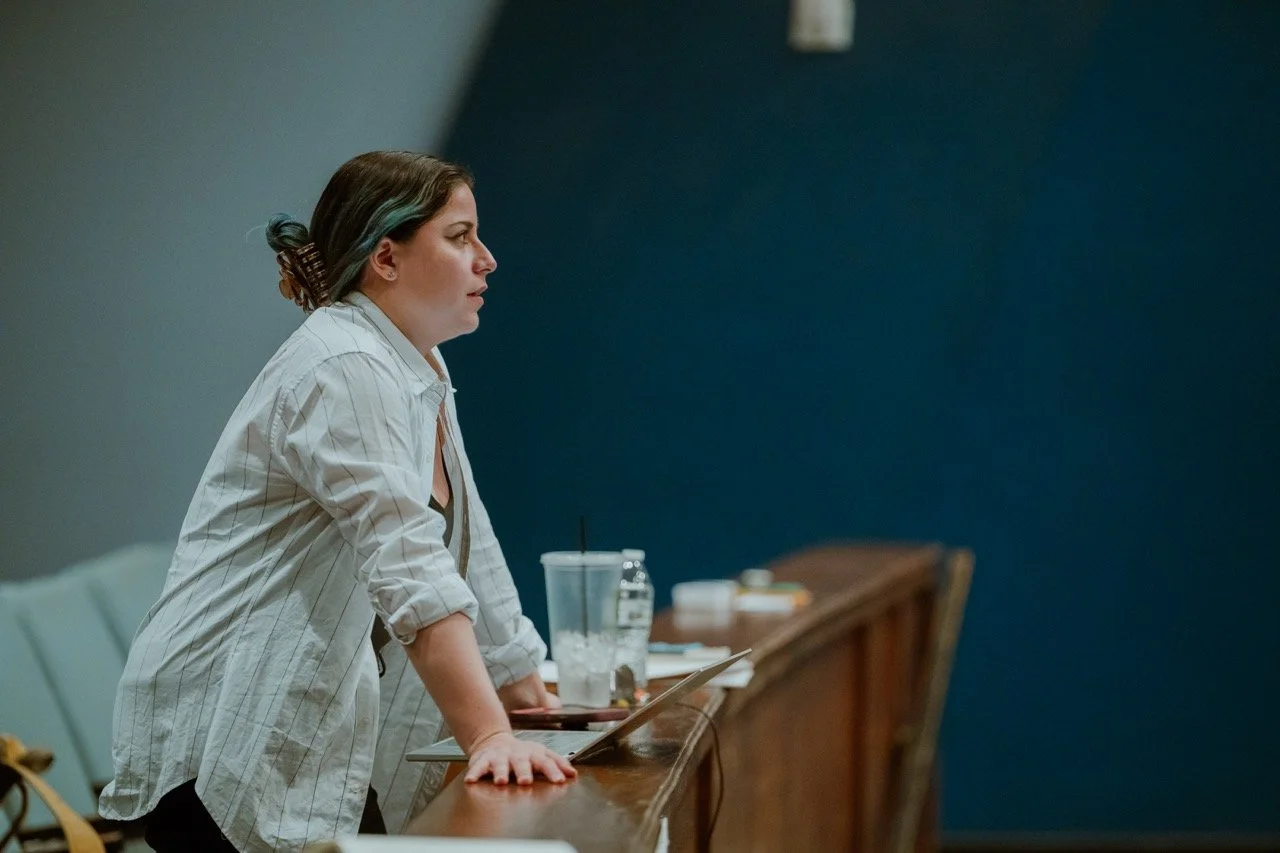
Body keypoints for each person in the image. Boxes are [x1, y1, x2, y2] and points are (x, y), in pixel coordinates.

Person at [98, 151, 576, 853]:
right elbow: (408, 560)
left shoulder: (416, 362)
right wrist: (491, 733)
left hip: (286, 725)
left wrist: (528, 695)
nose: (488, 258)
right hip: (223, 734)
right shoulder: (345, 365)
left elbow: (474, 550)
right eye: (460, 235)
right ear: (386, 257)